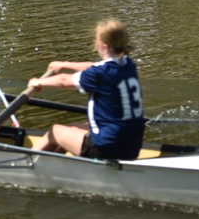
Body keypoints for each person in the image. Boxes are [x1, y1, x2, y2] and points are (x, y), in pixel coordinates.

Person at [29, 19, 145, 161]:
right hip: (132, 144)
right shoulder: (128, 64)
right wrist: (65, 64)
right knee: (73, 128)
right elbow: (93, 66)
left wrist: (39, 82)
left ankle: (24, 163)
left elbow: (64, 81)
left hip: (106, 148)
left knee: (55, 131)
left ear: (104, 46)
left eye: (96, 39)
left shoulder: (100, 73)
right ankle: (52, 164)